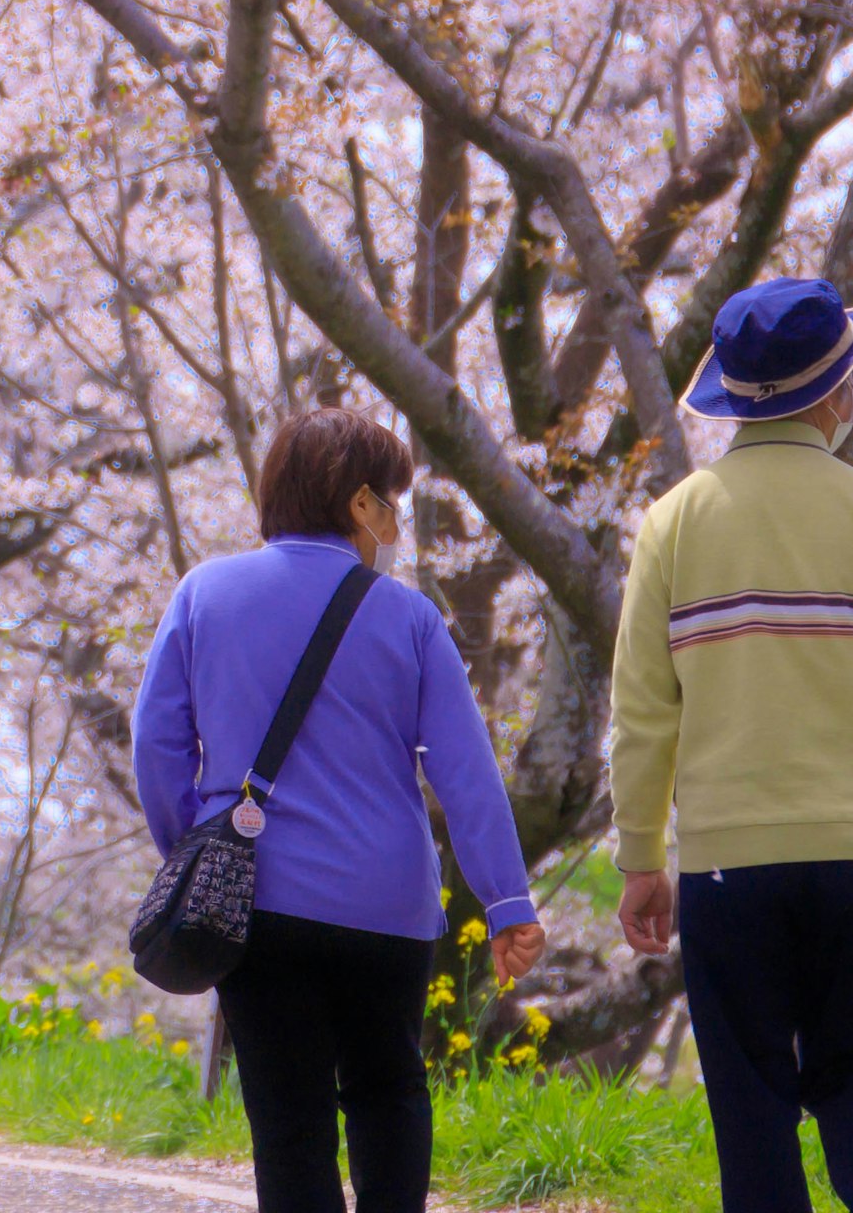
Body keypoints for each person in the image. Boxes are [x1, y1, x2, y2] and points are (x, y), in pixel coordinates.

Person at [610, 277, 853, 1213]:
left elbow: (643, 713)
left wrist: (640, 857)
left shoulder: (672, 524)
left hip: (729, 864)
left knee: (750, 1105)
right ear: (834, 393)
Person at [135, 406, 547, 1213]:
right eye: (391, 504)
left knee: (288, 1124)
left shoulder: (205, 594)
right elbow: (467, 776)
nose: (394, 526)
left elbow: (158, 746)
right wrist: (507, 903)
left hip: (260, 901)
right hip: (387, 909)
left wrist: (191, 850)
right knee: (390, 1094)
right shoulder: (411, 618)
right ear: (360, 504)